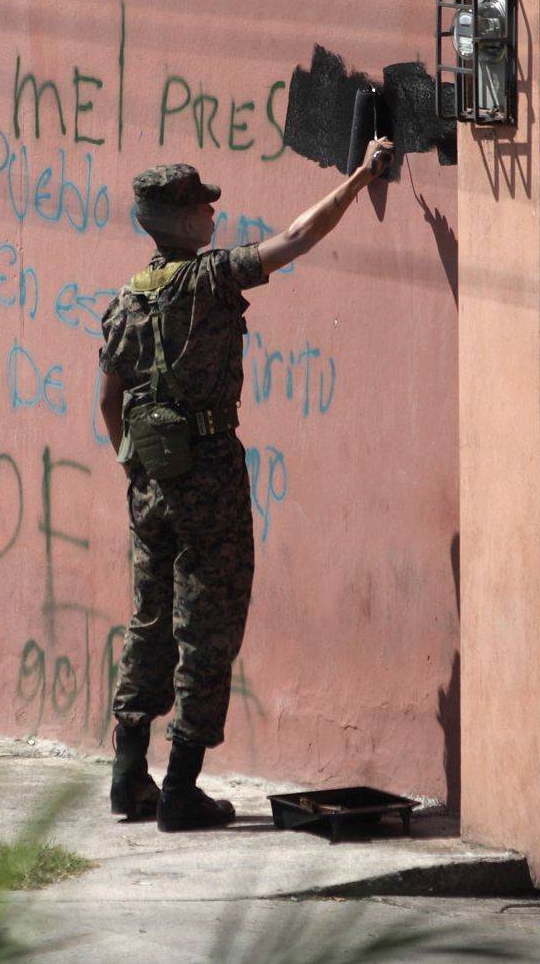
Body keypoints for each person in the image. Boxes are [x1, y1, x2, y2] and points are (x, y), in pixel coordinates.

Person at [97, 139, 393, 831]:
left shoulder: (125, 300)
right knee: (208, 622)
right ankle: (180, 789)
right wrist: (358, 177)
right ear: (180, 218)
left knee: (149, 617)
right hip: (206, 475)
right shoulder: (210, 279)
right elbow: (295, 237)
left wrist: (133, 463)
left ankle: (128, 775)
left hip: (148, 480)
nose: (211, 212)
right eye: (203, 203)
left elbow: (109, 402)